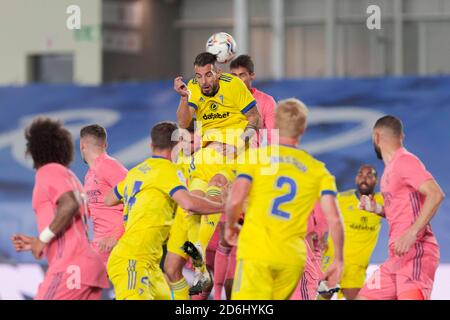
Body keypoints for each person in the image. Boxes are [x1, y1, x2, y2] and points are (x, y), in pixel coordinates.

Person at [225, 98, 344, 299]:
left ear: (275, 125)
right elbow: (334, 219)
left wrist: (230, 226)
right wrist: (338, 259)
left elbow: (235, 199)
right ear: (303, 129)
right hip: (292, 258)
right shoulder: (318, 170)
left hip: (257, 251)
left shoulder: (255, 158)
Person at [104, 121, 224, 300]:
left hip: (150, 263)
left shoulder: (136, 172)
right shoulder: (169, 171)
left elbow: (109, 199)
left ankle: (200, 272)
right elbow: (189, 204)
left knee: (171, 273)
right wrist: (224, 206)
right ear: (177, 144)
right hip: (133, 259)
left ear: (151, 145)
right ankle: (200, 270)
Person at [11, 117, 109, 299]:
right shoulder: (71, 177)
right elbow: (74, 229)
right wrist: (38, 241)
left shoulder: (48, 171)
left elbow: (69, 204)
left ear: (33, 150)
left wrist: (43, 239)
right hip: (89, 268)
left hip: (70, 267)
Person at [357, 115, 445, 300]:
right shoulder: (390, 169)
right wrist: (378, 209)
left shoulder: (405, 161)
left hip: (416, 252)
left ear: (377, 137)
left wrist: (412, 233)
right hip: (396, 257)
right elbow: (403, 211)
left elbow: (436, 194)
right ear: (401, 136)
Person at [320, 164, 383, 300]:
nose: (364, 179)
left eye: (369, 175)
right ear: (356, 179)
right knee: (323, 295)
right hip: (332, 260)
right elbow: (319, 216)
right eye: (360, 175)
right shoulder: (341, 198)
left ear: (376, 181)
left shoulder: (382, 202)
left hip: (357, 267)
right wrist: (319, 238)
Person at [80, 124, 128, 265]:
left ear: (82, 145)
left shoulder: (109, 166)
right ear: (105, 144)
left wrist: (115, 236)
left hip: (117, 244)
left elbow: (137, 201)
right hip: (101, 247)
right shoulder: (89, 175)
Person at [230, 54, 276, 146]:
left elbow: (273, 138)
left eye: (242, 75)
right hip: (225, 156)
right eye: (234, 76)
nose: (237, 80)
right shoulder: (222, 99)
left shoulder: (267, 101)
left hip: (254, 158)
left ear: (252, 75)